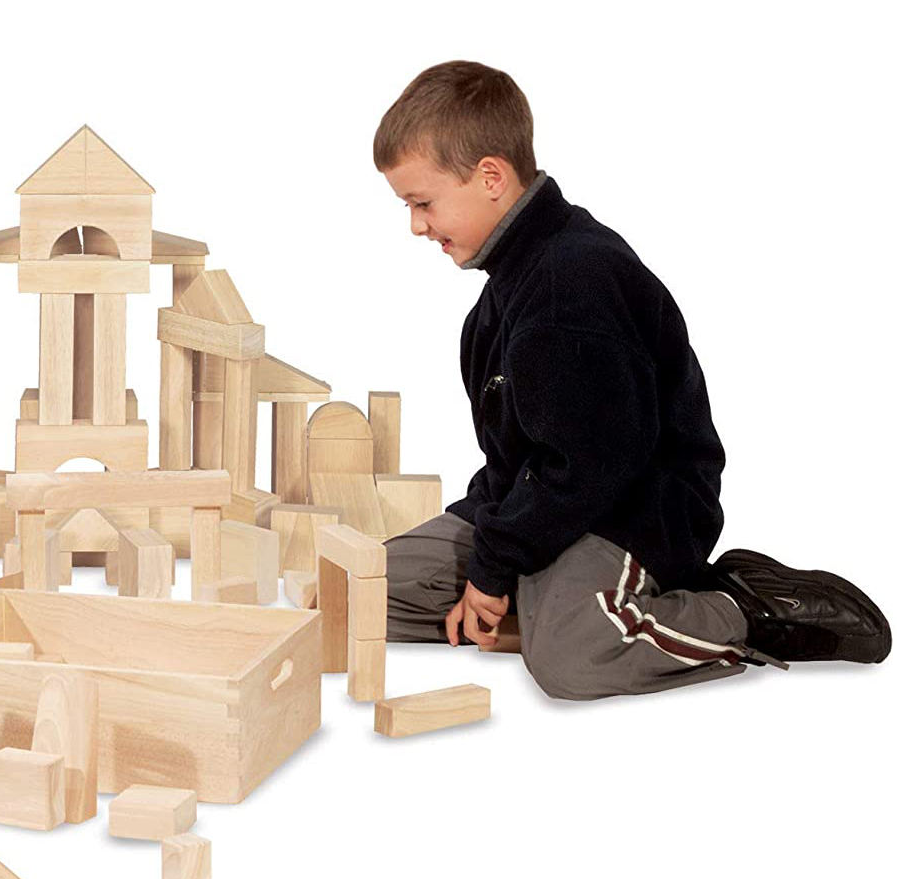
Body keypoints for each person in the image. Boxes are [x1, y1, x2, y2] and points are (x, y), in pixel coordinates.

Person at [375, 61, 889, 699]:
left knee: (569, 661)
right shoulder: (499, 299)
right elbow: (516, 460)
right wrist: (491, 553)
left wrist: (496, 564)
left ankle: (742, 611)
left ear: (490, 178)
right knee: (361, 591)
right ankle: (553, 607)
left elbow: (592, 468)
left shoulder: (571, 285)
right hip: (550, 504)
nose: (416, 226)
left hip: (629, 512)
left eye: (423, 203)